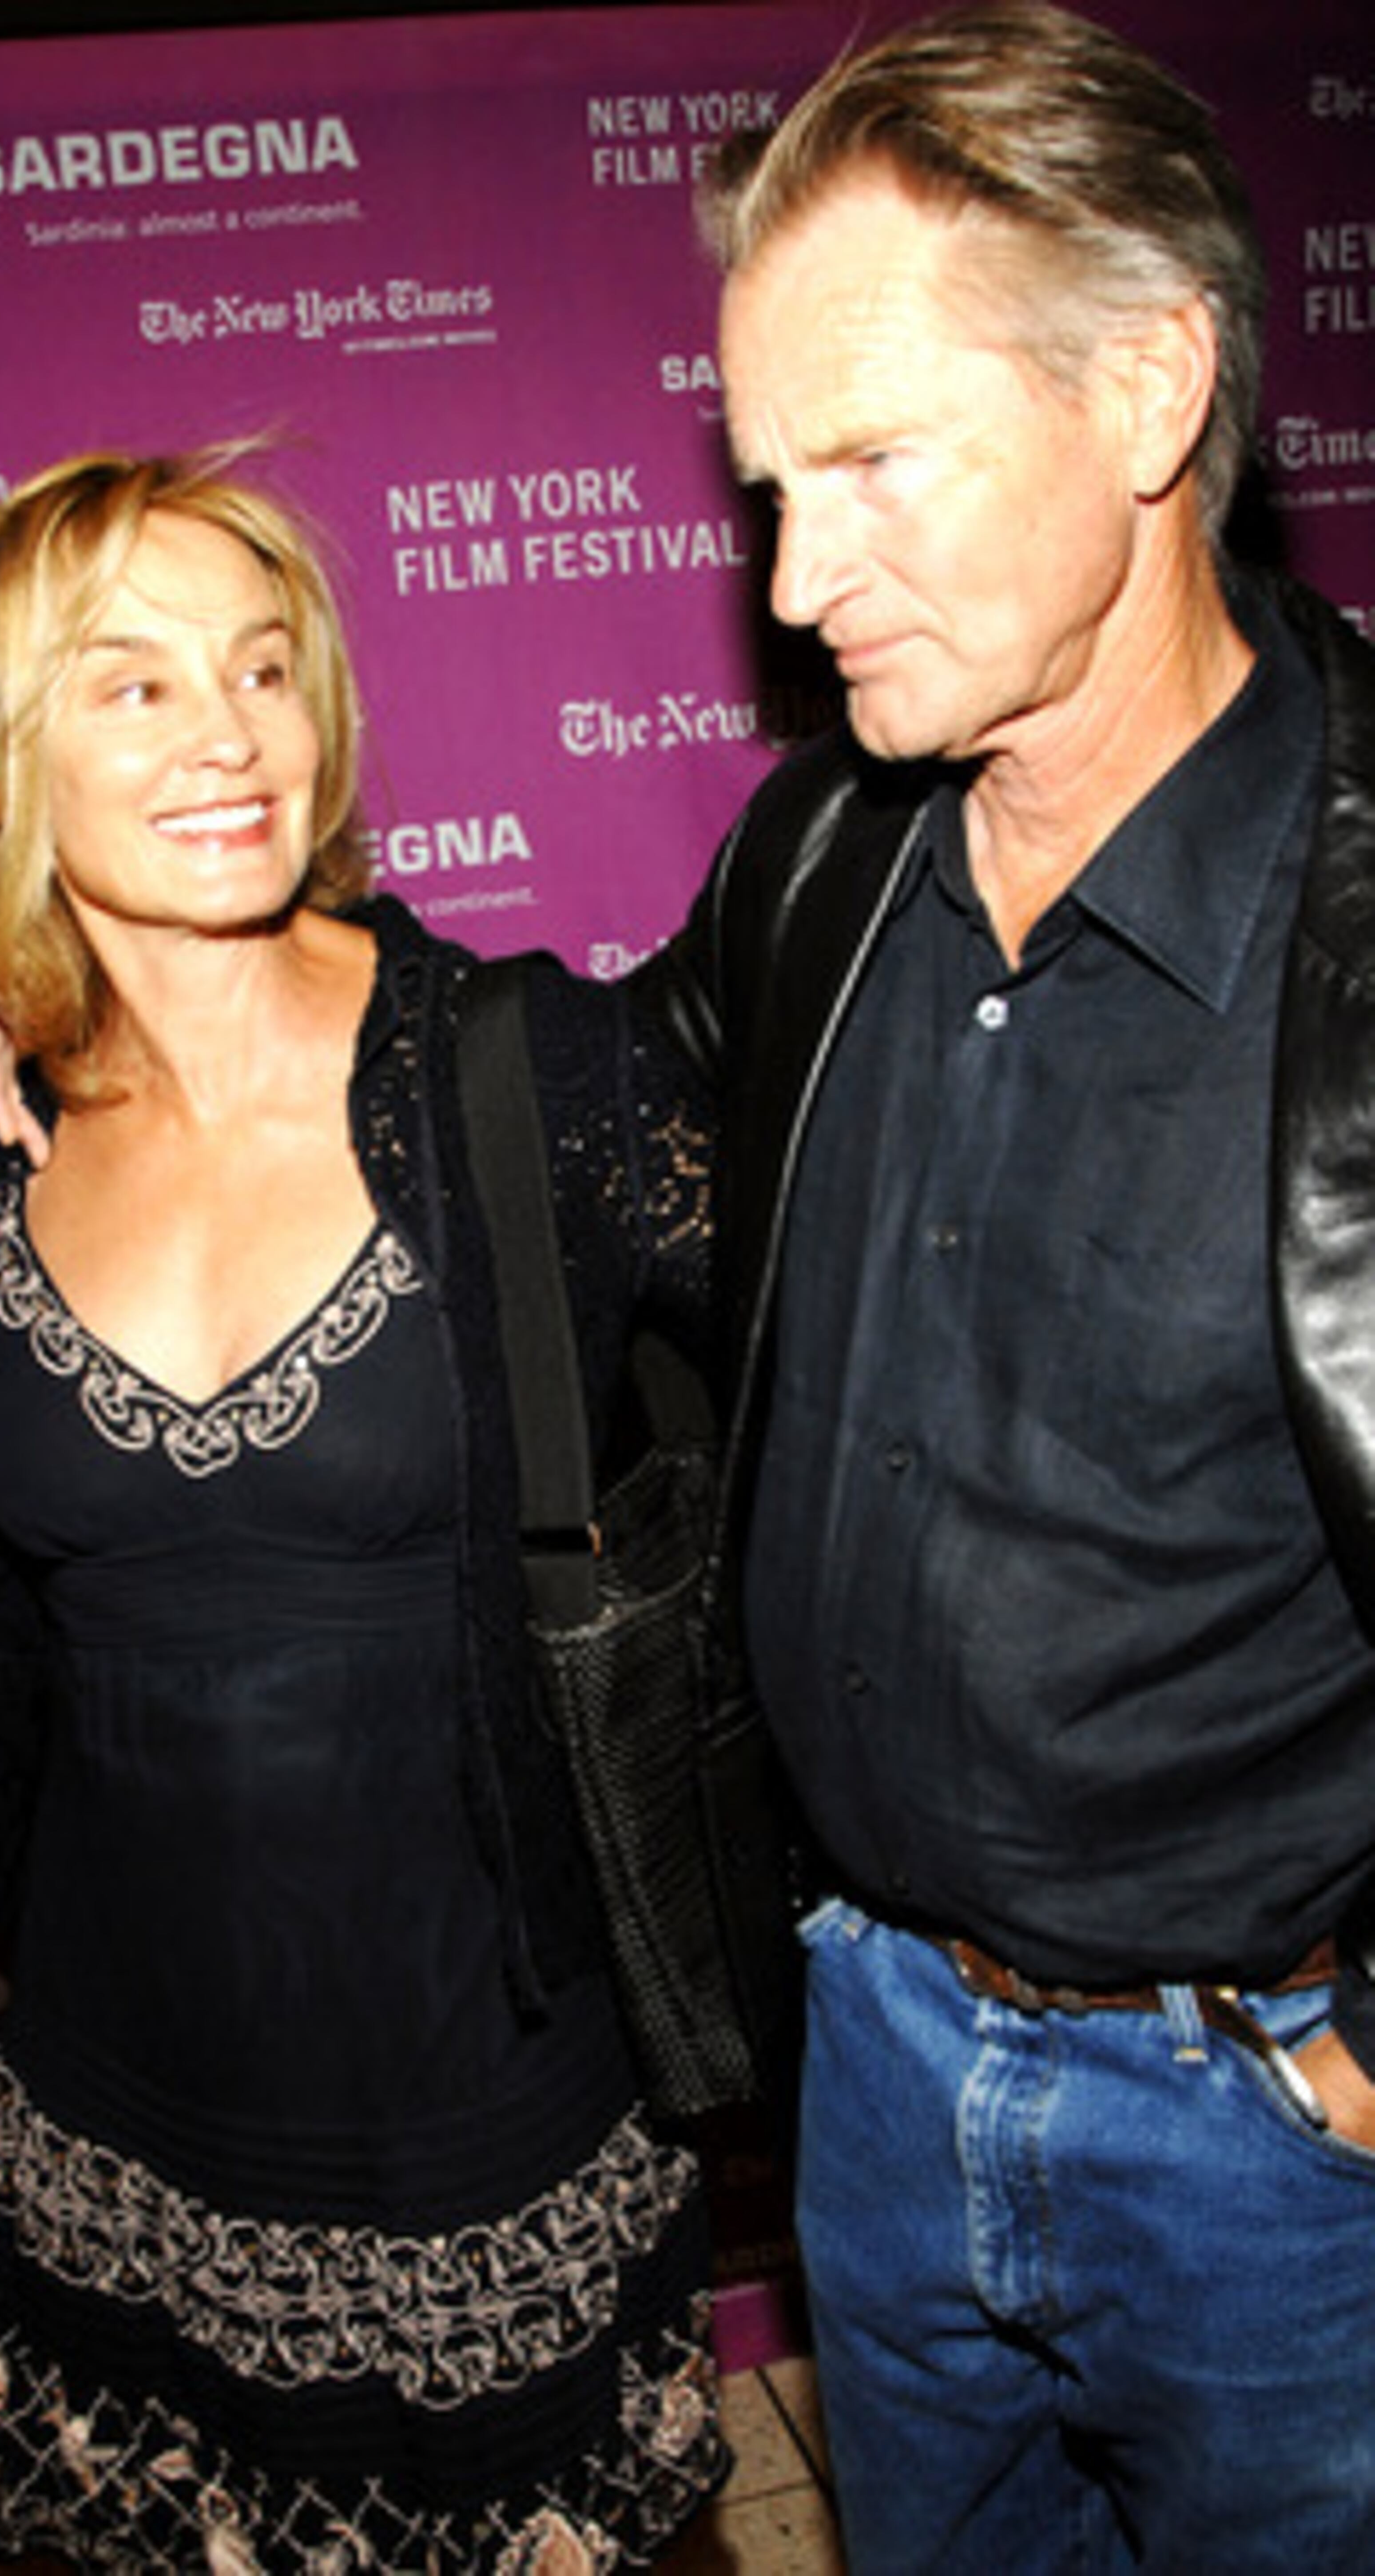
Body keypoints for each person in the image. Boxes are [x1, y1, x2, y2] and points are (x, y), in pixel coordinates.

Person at [0, 447, 730, 2571]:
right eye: (129, 688)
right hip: (115, 2100)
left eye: (265, 665)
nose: (227, 732)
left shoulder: (532, 1075)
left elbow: (850, 1418)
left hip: (485, 2095)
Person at [634, 2, 1375, 2566]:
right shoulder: (824, 858)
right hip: (879, 2051)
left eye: (871, 465)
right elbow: (581, 1122)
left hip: (1283, 2146)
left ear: (1153, 387)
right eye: (763, 487)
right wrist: (155, 1008)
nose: (793, 577)